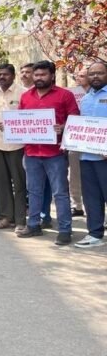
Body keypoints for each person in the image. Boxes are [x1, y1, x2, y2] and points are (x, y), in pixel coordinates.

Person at [17, 60, 79, 245]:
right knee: (33, 191)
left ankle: (65, 229)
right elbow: (20, 119)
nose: (38, 78)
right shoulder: (26, 96)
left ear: (52, 76)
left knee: (60, 192)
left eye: (43, 75)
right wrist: (10, 126)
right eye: (36, 75)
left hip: (55, 153)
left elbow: (75, 120)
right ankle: (34, 225)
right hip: (32, 152)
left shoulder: (65, 95)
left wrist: (63, 128)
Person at [0, 64, 28, 231]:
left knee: (19, 184)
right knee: (2, 184)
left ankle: (20, 220)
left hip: (17, 146)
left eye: (5, 74)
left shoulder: (23, 93)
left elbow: (28, 119)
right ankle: (7, 217)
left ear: (13, 76)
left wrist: (14, 128)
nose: (1, 77)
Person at [74, 62, 107, 248]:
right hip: (87, 156)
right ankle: (95, 234)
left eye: (100, 73)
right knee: (91, 198)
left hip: (105, 158)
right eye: (92, 73)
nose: (95, 76)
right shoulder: (86, 98)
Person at [67, 67, 89, 217]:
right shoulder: (71, 94)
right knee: (73, 174)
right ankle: (77, 205)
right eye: (77, 76)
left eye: (82, 76)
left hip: (96, 139)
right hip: (76, 138)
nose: (78, 79)